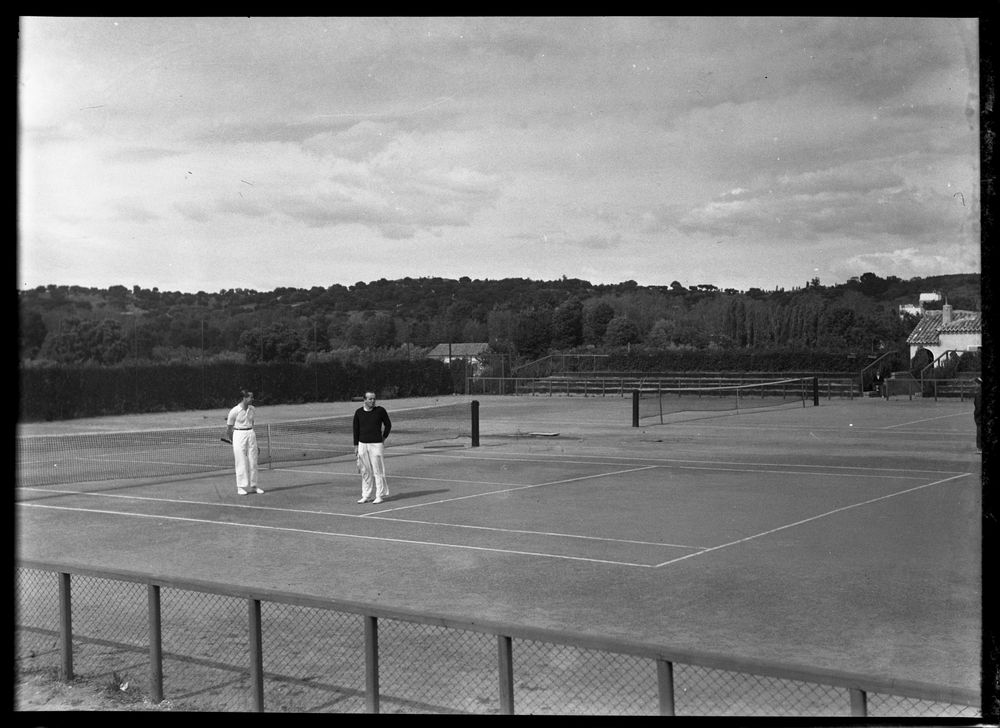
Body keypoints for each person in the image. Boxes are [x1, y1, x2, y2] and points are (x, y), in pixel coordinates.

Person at [353, 391, 392, 504]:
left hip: (376, 444)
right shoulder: (358, 412)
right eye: (370, 399)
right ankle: (366, 495)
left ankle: (379, 495)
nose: (372, 401)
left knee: (378, 470)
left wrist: (383, 438)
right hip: (362, 444)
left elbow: (388, 425)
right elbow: (356, 430)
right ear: (364, 400)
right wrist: (356, 445)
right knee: (365, 471)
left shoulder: (380, 411)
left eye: (374, 399)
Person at [225, 389, 263, 495]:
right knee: (241, 461)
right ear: (244, 398)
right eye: (251, 397)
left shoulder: (253, 409)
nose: (252, 399)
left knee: (253, 461)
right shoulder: (234, 411)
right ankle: (240, 487)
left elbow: (252, 423)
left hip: (251, 434)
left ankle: (254, 486)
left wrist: (256, 443)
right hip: (238, 434)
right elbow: (229, 429)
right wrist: (233, 441)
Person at [973, 377, 982, 453]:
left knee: (979, 431)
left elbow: (978, 407)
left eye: (975, 383)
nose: (975, 385)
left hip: (980, 416)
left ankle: (979, 448)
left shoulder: (979, 393)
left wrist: (976, 415)